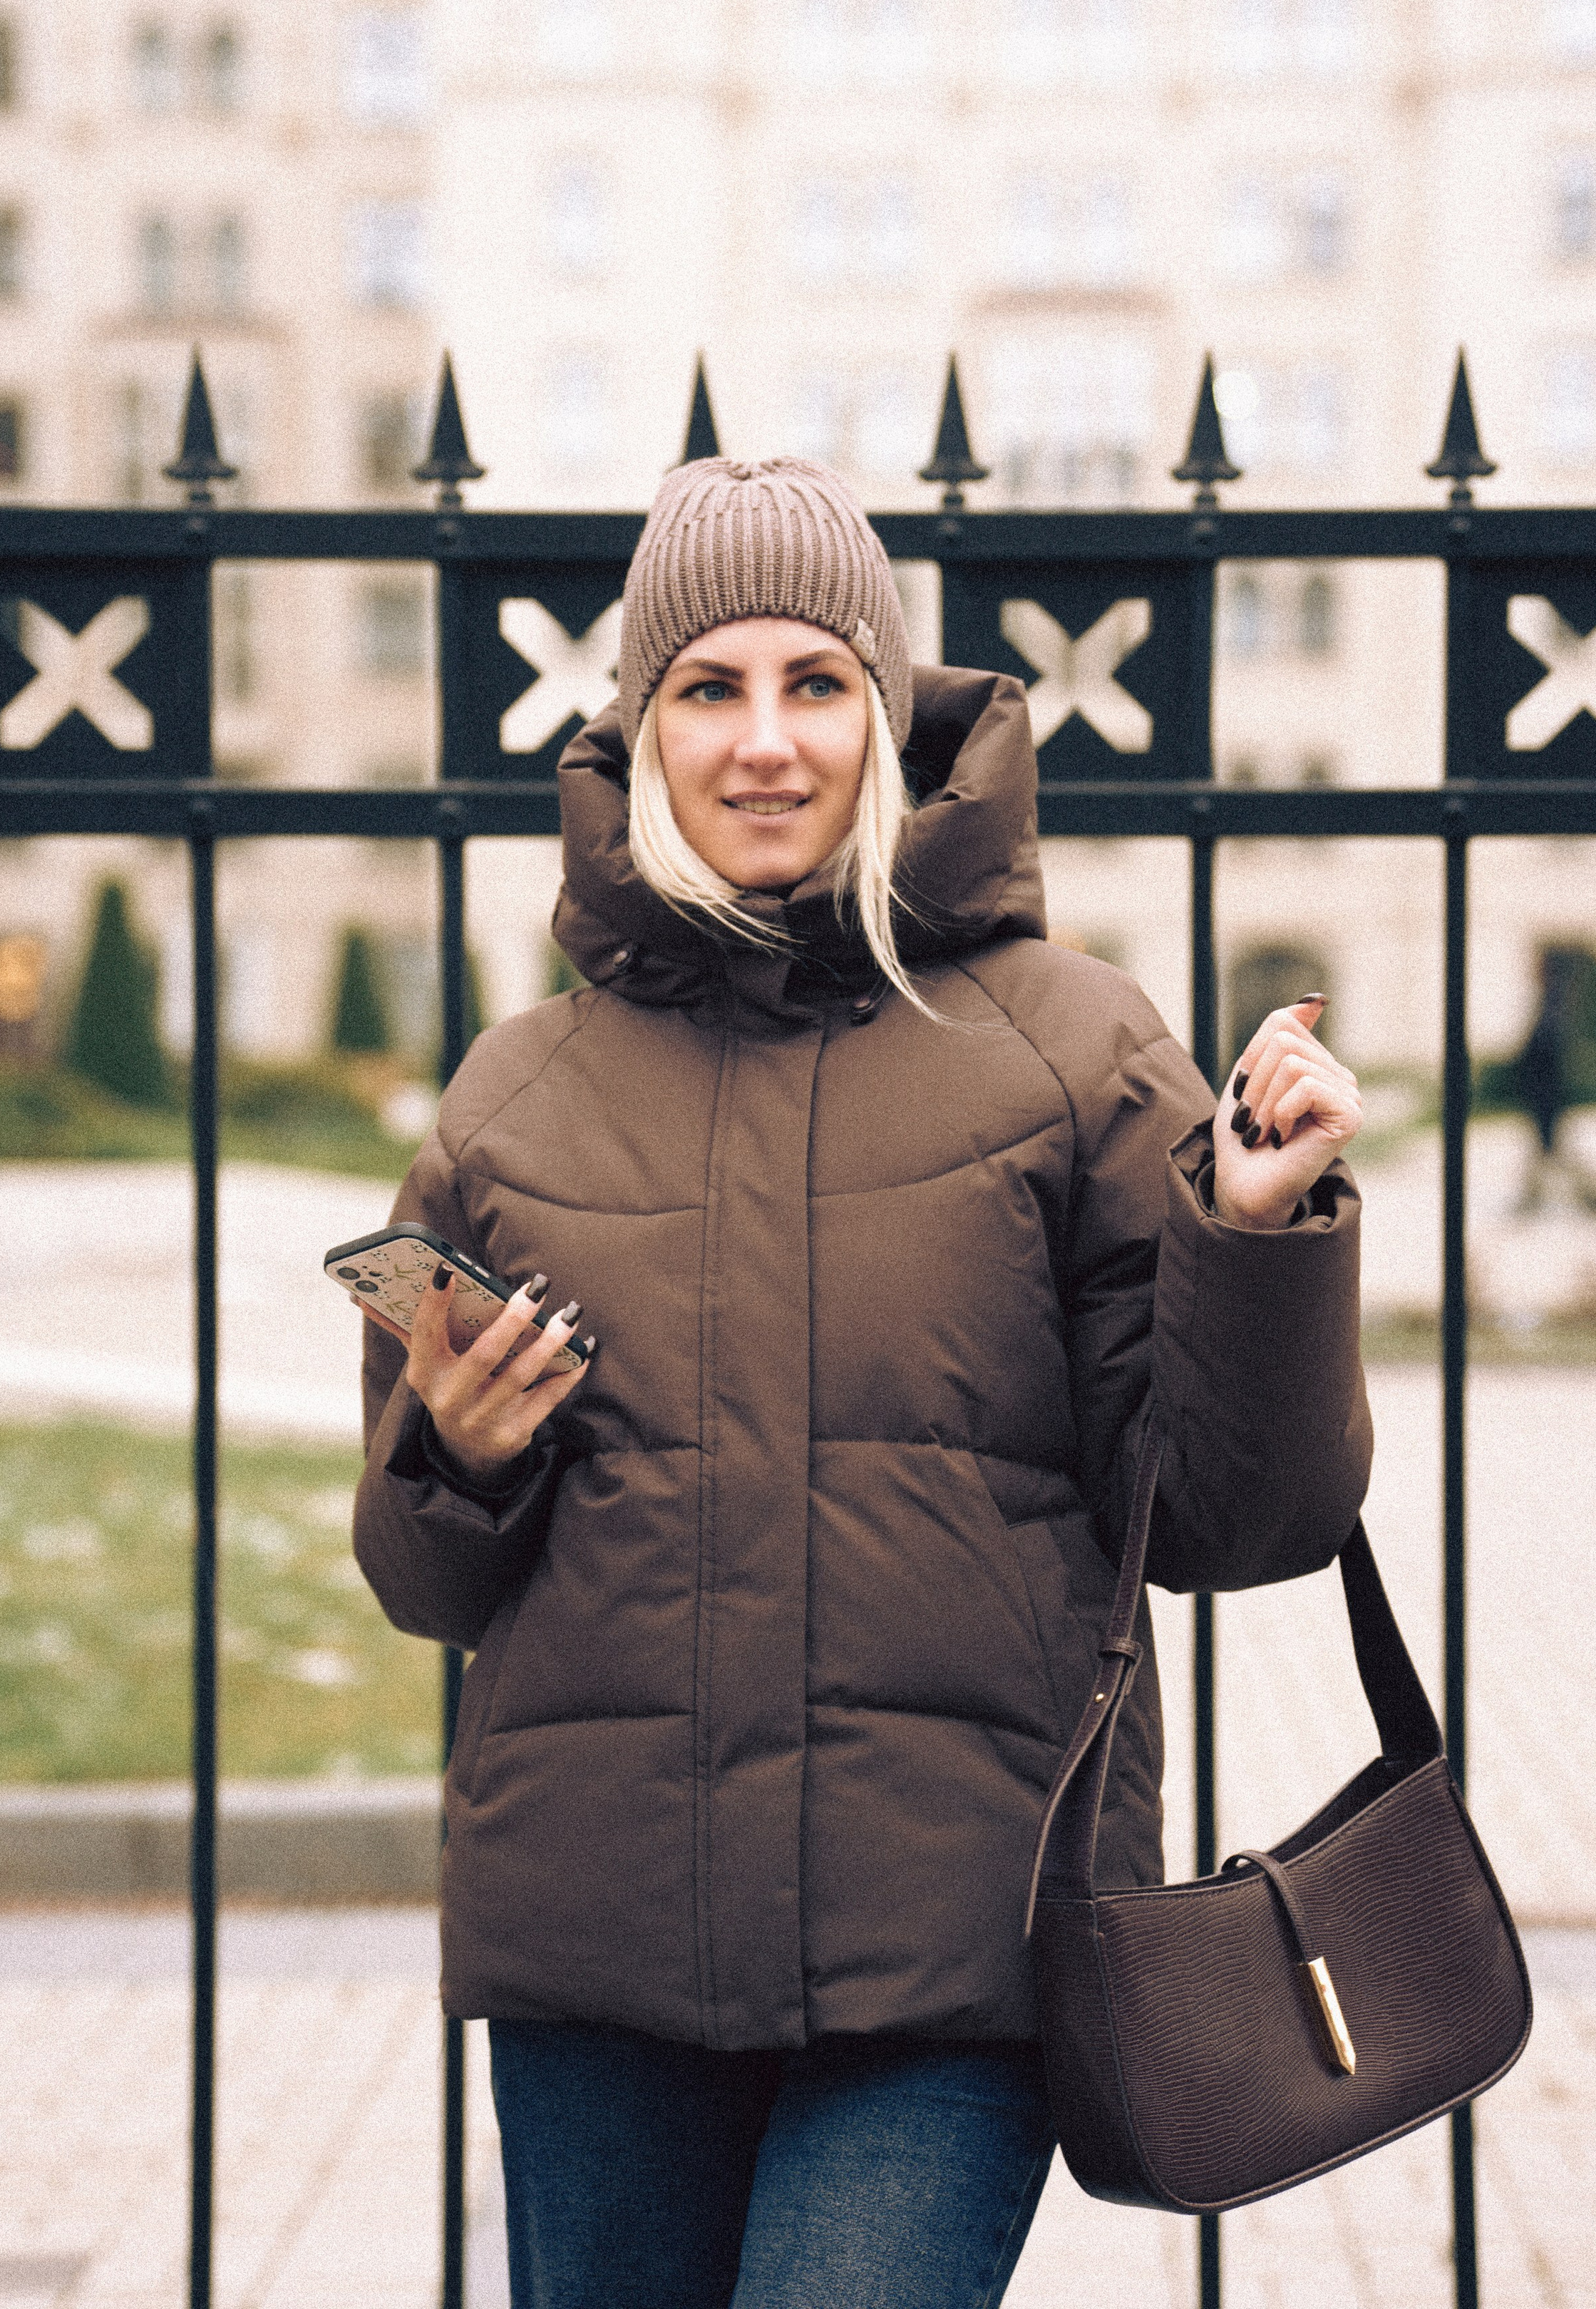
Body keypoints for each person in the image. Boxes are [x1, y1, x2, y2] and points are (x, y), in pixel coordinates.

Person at [354, 456, 1370, 2309]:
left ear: (887, 716)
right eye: (708, 689)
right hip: (600, 1955)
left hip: (954, 1951)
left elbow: (1242, 1518)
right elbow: (428, 1583)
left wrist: (1256, 1235)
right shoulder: (515, 1094)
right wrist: (462, 1460)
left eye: (817, 683)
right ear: (643, 729)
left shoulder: (1071, 1049)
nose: (764, 742)